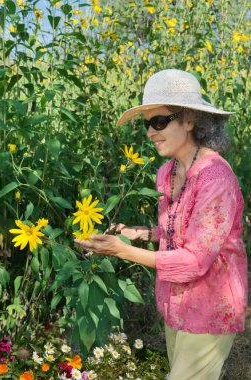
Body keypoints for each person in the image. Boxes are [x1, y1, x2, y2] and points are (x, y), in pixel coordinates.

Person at [75, 69, 248, 380]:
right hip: (175, 304)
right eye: (147, 123)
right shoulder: (166, 173)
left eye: (159, 121)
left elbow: (196, 260)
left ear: (190, 119)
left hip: (211, 308)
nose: (150, 132)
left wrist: (122, 252)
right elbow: (181, 232)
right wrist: (140, 234)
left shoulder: (215, 180)